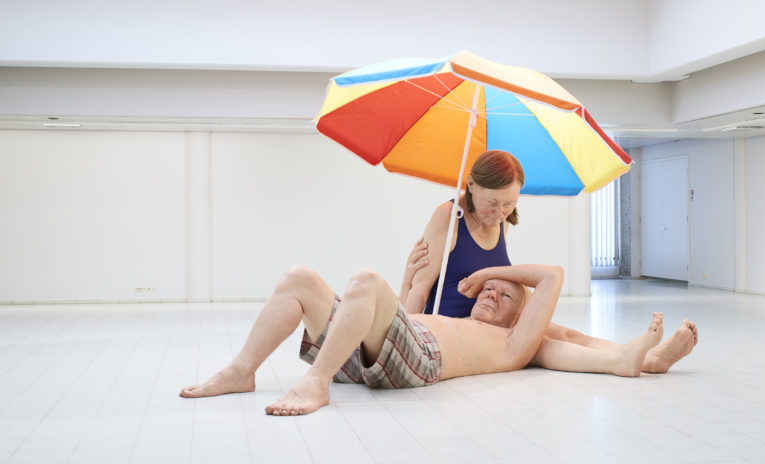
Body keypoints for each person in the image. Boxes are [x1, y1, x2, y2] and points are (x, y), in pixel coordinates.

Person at [179, 263, 672, 416]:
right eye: (488, 291)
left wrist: (486, 272)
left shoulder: (514, 345)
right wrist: (416, 285)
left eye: (503, 296)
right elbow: (390, 324)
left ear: (517, 320)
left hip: (419, 363)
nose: (492, 295)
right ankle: (242, 370)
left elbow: (552, 276)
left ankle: (315, 382)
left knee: (366, 281)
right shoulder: (458, 319)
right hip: (379, 352)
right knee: (299, 279)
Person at [400, 149, 699, 374]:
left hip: (498, 314)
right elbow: (419, 287)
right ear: (471, 185)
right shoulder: (449, 217)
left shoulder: (503, 223)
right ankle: (629, 361)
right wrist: (408, 340)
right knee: (541, 346)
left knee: (567, 333)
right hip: (461, 326)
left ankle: (647, 358)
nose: (500, 212)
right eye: (492, 203)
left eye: (510, 204)